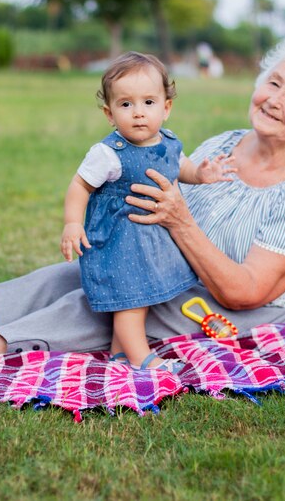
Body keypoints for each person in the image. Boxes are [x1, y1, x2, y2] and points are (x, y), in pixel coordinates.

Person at [0, 35, 285, 371]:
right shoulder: (225, 145)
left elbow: (246, 292)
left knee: (107, 303)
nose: (274, 99)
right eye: (273, 83)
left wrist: (179, 223)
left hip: (239, 308)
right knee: (75, 274)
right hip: (173, 269)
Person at [60, 51, 235, 372]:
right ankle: (143, 358)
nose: (138, 113)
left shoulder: (168, 142)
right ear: (109, 113)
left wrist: (201, 174)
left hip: (150, 241)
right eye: (126, 104)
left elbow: (180, 168)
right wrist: (73, 222)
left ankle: (119, 353)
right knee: (132, 303)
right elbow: (79, 186)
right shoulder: (108, 154)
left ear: (166, 108)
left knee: (140, 296)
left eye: (148, 103)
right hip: (118, 240)